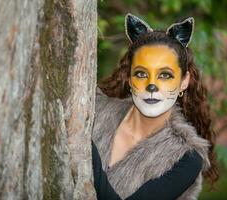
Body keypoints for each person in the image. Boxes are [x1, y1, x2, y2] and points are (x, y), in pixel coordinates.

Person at [92, 13, 218, 200]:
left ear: (184, 81)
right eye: (142, 74)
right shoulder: (93, 108)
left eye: (165, 75)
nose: (152, 85)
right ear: (129, 77)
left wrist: (83, 143)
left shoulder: (186, 158)